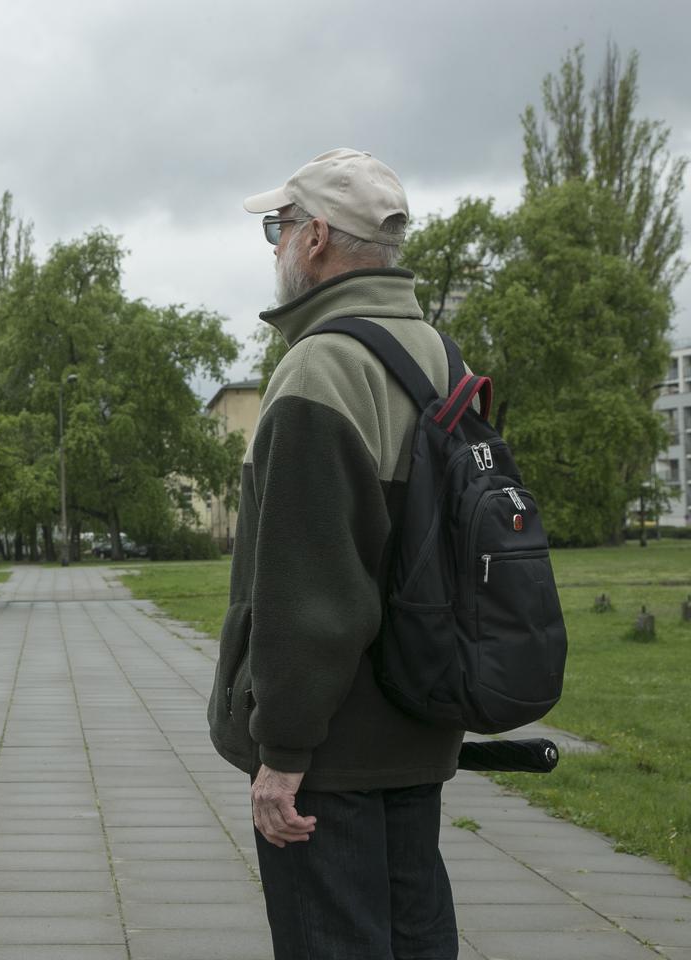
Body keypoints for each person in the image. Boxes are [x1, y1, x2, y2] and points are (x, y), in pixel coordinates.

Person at [207, 148, 463, 959]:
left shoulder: (320, 366)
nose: (275, 246)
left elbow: (309, 590)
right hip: (418, 725)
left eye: (277, 228)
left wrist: (282, 755)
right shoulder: (438, 358)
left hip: (330, 755)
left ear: (315, 237)